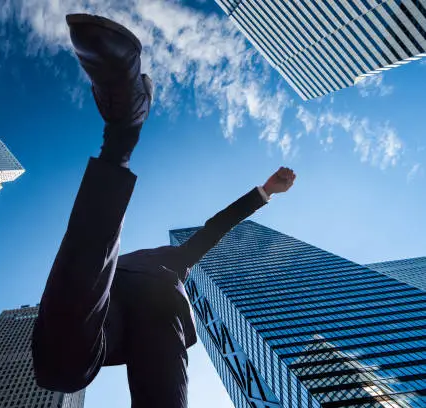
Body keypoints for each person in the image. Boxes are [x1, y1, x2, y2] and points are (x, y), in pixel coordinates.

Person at [32, 14, 296, 408]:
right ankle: (122, 133)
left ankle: (122, 135)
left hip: (157, 310)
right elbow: (94, 258)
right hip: (110, 305)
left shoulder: (176, 259)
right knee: (60, 371)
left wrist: (265, 192)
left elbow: (217, 227)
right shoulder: (129, 264)